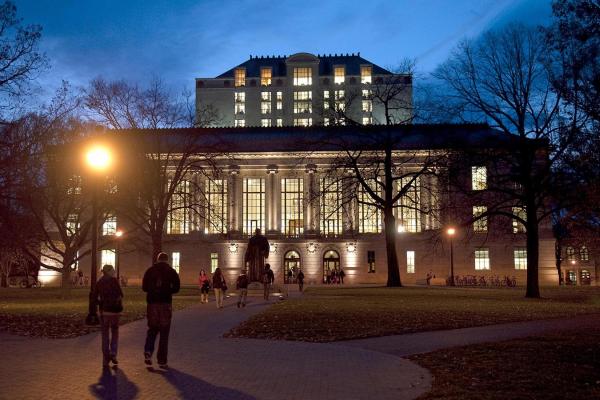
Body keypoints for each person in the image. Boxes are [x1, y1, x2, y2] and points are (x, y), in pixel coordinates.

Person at [142, 252, 180, 369]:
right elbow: (177, 288)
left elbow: (144, 287)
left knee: (152, 329)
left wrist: (153, 290)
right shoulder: (171, 272)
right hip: (165, 303)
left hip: (152, 303)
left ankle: (148, 351)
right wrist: (167, 290)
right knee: (164, 333)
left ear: (158, 259)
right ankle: (162, 360)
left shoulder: (150, 271)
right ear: (167, 260)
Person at [92, 264, 123, 368]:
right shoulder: (114, 281)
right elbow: (120, 294)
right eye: (113, 269)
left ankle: (106, 358)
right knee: (115, 333)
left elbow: (94, 297)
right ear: (109, 271)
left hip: (104, 312)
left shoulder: (99, 282)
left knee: (105, 335)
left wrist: (100, 303)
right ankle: (113, 353)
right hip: (115, 311)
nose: (114, 271)